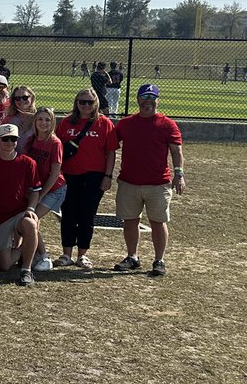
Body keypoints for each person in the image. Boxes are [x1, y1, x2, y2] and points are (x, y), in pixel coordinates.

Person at [112, 84, 185, 276]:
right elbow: (109, 142)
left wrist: (179, 174)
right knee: (130, 220)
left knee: (158, 222)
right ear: (137, 99)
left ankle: (159, 260)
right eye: (144, 97)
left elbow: (176, 151)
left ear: (157, 100)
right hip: (129, 182)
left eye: (152, 98)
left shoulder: (167, 124)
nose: (148, 102)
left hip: (158, 184)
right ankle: (132, 256)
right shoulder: (127, 123)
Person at [54, 88, 117, 269]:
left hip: (94, 176)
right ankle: (66, 254)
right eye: (82, 102)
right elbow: (57, 149)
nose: (86, 106)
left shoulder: (104, 123)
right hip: (69, 175)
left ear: (96, 103)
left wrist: (108, 176)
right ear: (76, 103)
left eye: (90, 102)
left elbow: (111, 152)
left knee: (87, 215)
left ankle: (82, 254)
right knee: (68, 214)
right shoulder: (66, 123)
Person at [0, 123, 42, 286]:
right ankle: (28, 250)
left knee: (30, 223)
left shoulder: (28, 163)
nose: (9, 142)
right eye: (5, 139)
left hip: (20, 213)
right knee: (3, 266)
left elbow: (35, 190)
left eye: (13, 139)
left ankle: (26, 271)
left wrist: (31, 208)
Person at [24, 107, 65, 273]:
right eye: (40, 119)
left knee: (31, 220)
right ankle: (30, 254)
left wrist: (40, 195)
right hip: (36, 189)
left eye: (48, 120)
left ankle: (45, 257)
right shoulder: (31, 140)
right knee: (28, 219)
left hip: (53, 189)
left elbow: (55, 174)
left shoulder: (55, 143)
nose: (44, 123)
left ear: (53, 122)